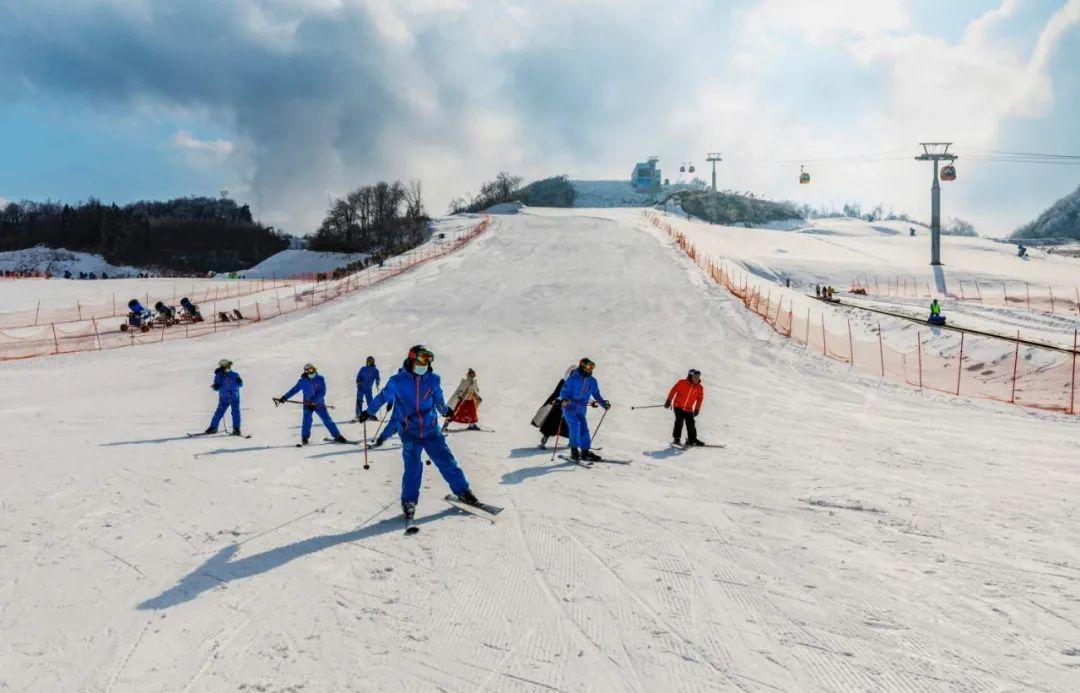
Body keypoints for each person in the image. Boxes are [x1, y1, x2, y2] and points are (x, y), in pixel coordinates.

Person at [358, 345, 481, 519]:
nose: (425, 364)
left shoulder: (433, 379)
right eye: (422, 360)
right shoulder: (397, 381)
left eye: (428, 361)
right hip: (409, 432)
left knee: (447, 461)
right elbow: (382, 398)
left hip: (431, 430)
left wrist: (444, 410)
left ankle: (463, 491)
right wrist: (368, 412)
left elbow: (438, 399)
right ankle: (409, 501)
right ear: (411, 359)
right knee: (413, 467)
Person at [274, 363, 347, 445]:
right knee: (306, 421)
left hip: (319, 403)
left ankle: (337, 436)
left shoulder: (320, 379)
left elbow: (322, 392)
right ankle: (305, 438)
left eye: (311, 369)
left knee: (326, 419)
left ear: (314, 369)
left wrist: (315, 402)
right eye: (308, 370)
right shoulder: (302, 382)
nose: (310, 372)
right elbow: (294, 390)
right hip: (307, 404)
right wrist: (285, 397)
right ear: (305, 372)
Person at [560, 357, 610, 462]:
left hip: (581, 409)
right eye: (588, 367)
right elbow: (564, 391)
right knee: (575, 425)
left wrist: (603, 404)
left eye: (592, 368)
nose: (590, 370)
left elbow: (596, 394)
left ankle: (585, 452)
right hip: (569, 407)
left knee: (584, 430)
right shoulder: (573, 378)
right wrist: (564, 399)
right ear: (582, 367)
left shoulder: (592, 381)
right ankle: (574, 450)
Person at [532, 366, 574, 448]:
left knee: (570, 425)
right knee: (552, 423)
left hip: (568, 408)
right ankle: (544, 440)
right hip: (558, 407)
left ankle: (572, 442)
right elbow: (557, 394)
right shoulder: (564, 382)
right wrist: (560, 401)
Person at [665, 369, 705, 446]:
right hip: (678, 405)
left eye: (698, 377)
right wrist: (669, 400)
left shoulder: (699, 388)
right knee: (679, 421)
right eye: (695, 377)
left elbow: (700, 399)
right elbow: (673, 390)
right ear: (690, 376)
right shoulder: (682, 383)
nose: (697, 379)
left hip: (688, 408)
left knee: (691, 423)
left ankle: (692, 440)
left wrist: (697, 408)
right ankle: (677, 438)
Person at [205, 359, 243, 435]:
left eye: (227, 367)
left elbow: (241, 385)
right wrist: (216, 386)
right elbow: (216, 385)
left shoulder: (235, 375)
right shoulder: (219, 376)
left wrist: (240, 382)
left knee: (236, 413)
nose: (226, 368)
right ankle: (213, 427)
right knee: (218, 413)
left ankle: (236, 429)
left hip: (234, 398)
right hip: (224, 399)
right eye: (224, 367)